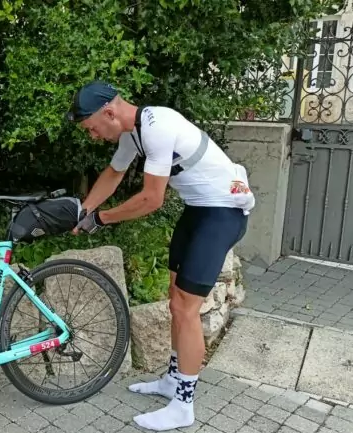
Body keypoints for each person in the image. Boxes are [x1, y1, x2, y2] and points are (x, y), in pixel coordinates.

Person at [69, 81, 254, 432]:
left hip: (223, 214)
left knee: (186, 309)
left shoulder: (158, 126)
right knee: (175, 300)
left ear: (109, 112)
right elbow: (114, 173)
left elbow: (151, 199)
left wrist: (101, 219)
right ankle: (172, 380)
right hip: (197, 211)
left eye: (92, 127)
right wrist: (84, 210)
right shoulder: (132, 134)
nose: (93, 135)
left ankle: (183, 405)